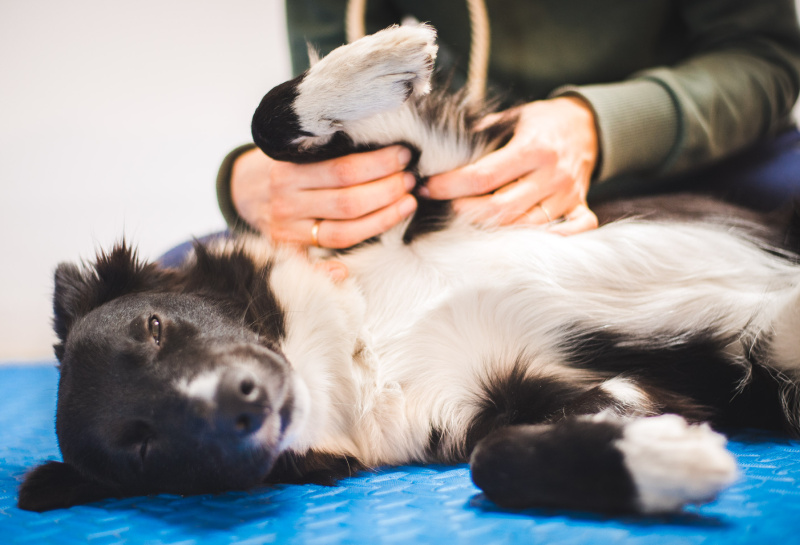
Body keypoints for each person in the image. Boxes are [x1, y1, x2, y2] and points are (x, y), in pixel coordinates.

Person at [214, 0, 800, 251]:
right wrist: (249, 182)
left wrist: (597, 127)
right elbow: (338, 90)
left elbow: (765, 59)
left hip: (697, 160)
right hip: (462, 194)